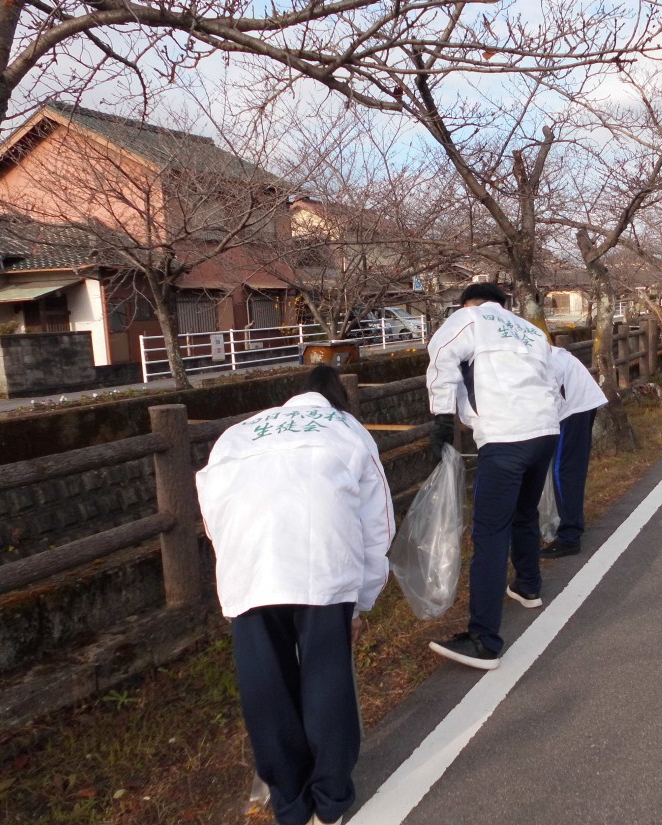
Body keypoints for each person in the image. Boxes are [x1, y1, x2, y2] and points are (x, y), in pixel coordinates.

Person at [195, 365, 394, 825]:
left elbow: (210, 503)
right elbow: (377, 522)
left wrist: (236, 558)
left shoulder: (241, 431)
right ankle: (331, 799)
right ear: (338, 399)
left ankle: (290, 804)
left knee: (266, 689)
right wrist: (360, 601)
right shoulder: (347, 428)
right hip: (322, 561)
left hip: (249, 564)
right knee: (325, 678)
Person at [425, 282, 561, 670]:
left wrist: (441, 421)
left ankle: (484, 640)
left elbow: (441, 360)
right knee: (524, 512)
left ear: (468, 303)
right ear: (504, 304)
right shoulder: (530, 331)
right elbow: (550, 380)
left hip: (504, 438)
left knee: (489, 533)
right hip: (545, 432)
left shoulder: (469, 319)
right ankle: (528, 585)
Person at [541, 346, 608, 559]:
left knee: (564, 471)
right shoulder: (530, 347)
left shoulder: (535, 357)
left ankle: (569, 536)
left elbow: (549, 393)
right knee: (570, 469)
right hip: (579, 399)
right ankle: (571, 524)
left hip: (573, 406)